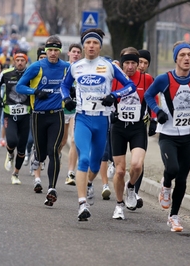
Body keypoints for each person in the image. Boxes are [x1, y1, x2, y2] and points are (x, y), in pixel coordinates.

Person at [60, 28, 136, 221]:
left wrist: (114, 96)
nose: (91, 46)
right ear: (83, 46)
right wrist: (66, 98)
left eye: (95, 43)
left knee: (95, 164)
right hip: (83, 118)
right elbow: (64, 85)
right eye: (88, 43)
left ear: (100, 47)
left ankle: (88, 184)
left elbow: (130, 86)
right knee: (83, 159)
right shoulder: (76, 67)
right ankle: (82, 204)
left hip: (102, 120)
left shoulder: (109, 66)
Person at [144, 41, 190, 232]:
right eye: (182, 55)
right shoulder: (164, 79)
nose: (186, 58)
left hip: (189, 135)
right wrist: (157, 111)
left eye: (189, 55)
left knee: (182, 178)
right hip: (168, 134)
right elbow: (148, 96)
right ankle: (165, 185)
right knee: (172, 169)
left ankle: (173, 216)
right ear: (176, 58)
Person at [16, 36, 70, 206]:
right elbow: (19, 86)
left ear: (60, 51)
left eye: (56, 50)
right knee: (42, 152)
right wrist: (35, 92)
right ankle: (36, 156)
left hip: (57, 114)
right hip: (38, 115)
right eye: (50, 50)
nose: (53, 54)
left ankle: (52, 189)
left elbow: (75, 85)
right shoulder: (37, 67)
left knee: (53, 150)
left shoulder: (66, 68)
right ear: (45, 51)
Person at [109, 47, 153, 220]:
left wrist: (154, 118)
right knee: (120, 171)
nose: (130, 66)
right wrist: (110, 110)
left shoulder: (146, 78)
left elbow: (152, 98)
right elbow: (108, 96)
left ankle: (132, 186)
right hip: (119, 128)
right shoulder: (115, 78)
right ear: (121, 64)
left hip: (137, 128)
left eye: (133, 63)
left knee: (136, 165)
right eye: (126, 63)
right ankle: (119, 205)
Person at [0, 52, 29, 185]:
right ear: (14, 62)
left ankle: (16, 174)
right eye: (18, 60)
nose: (20, 62)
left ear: (26, 62)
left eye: (22, 60)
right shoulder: (6, 73)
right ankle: (9, 154)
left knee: (21, 148)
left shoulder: (31, 73)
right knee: (12, 140)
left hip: (26, 114)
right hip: (9, 113)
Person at [62, 43, 82, 186]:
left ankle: (70, 173)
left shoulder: (83, 69)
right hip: (62, 109)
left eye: (78, 52)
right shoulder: (63, 68)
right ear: (68, 53)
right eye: (73, 52)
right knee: (61, 142)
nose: (76, 54)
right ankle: (54, 165)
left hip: (77, 110)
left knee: (74, 140)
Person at [24, 46, 46, 167]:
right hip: (33, 109)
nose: (43, 60)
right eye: (41, 58)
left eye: (45, 57)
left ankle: (39, 159)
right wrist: (35, 91)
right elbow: (22, 87)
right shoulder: (33, 70)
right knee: (32, 139)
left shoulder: (52, 71)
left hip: (48, 111)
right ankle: (28, 153)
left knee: (44, 140)